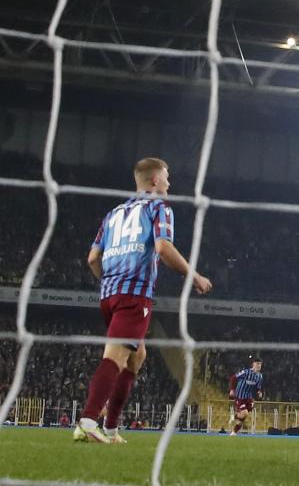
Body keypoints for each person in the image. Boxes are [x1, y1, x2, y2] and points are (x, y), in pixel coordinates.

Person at [74, 158, 213, 444]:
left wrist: (109, 282)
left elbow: (92, 258)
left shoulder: (113, 214)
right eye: (166, 177)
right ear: (154, 180)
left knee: (137, 356)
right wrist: (195, 276)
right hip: (135, 295)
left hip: (109, 295)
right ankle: (88, 421)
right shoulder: (159, 207)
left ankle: (111, 429)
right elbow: (163, 248)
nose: (169, 183)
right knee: (115, 357)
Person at [227, 356, 265, 436]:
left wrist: (259, 392)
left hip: (249, 398)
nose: (259, 366)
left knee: (243, 417)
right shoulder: (246, 372)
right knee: (245, 413)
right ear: (253, 364)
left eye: (260, 364)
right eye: (257, 364)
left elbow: (258, 388)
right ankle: (234, 421)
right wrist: (232, 390)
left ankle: (234, 431)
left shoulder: (260, 376)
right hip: (240, 397)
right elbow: (233, 378)